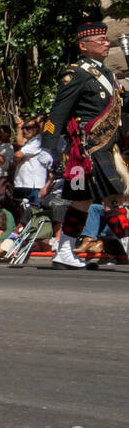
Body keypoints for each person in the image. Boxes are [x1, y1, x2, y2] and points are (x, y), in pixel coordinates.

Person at [41, 20, 128, 270]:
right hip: (88, 149)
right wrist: (49, 147)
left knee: (82, 202)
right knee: (113, 199)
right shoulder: (76, 74)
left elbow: (120, 106)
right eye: (100, 40)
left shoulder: (108, 74)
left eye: (105, 39)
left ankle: (64, 251)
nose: (106, 42)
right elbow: (58, 112)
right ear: (84, 46)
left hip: (105, 147)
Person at [12, 117, 50, 206]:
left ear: (36, 129)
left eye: (28, 128)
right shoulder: (29, 142)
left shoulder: (38, 140)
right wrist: (19, 127)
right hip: (23, 183)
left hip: (32, 185)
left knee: (34, 212)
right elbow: (20, 143)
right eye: (23, 128)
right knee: (22, 212)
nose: (24, 130)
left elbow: (18, 155)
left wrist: (15, 160)